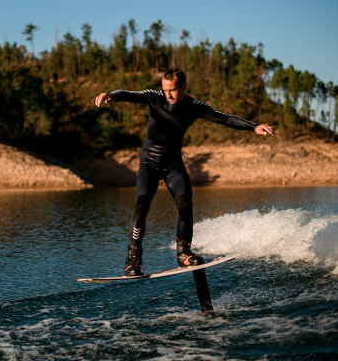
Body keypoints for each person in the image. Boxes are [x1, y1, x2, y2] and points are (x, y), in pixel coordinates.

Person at [95, 68, 275, 276]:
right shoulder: (155, 98)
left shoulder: (194, 107)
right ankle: (132, 260)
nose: (168, 94)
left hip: (173, 163)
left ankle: (184, 253)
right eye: (165, 90)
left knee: (185, 203)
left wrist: (253, 127)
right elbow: (130, 94)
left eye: (172, 90)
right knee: (141, 204)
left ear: (183, 87)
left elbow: (224, 119)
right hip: (149, 163)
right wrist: (112, 95)